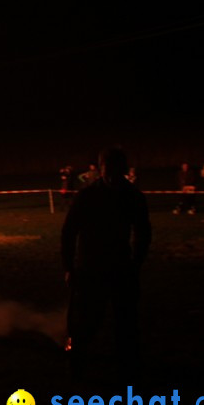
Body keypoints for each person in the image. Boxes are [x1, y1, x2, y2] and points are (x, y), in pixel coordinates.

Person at [61, 147, 151, 381]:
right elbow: (69, 232)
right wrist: (69, 267)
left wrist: (136, 263)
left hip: (120, 266)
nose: (110, 175)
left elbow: (143, 232)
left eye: (114, 170)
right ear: (101, 169)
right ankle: (78, 363)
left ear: (122, 170)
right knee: (87, 320)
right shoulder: (87, 196)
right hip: (91, 267)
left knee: (126, 321)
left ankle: (127, 367)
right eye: (106, 169)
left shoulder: (132, 197)